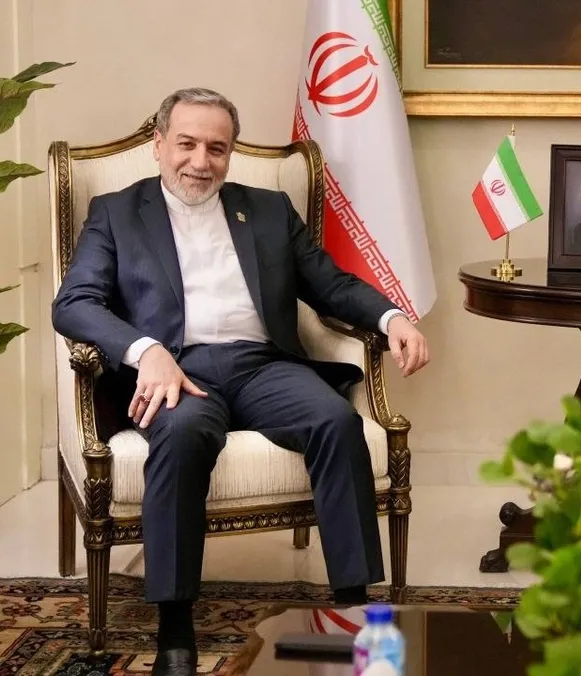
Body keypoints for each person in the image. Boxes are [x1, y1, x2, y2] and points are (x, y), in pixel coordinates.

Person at [50, 88, 430, 676]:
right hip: (177, 372)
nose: (200, 161)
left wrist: (392, 317)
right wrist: (146, 351)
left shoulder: (270, 209)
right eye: (187, 144)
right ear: (159, 144)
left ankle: (354, 610)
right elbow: (74, 302)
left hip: (263, 365)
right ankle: (176, 628)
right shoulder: (116, 212)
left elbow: (330, 284)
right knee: (181, 436)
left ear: (230, 153)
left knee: (336, 421)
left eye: (216, 148)